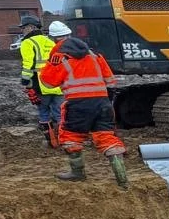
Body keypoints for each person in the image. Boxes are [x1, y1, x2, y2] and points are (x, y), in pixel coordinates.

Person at [39, 34, 128, 188]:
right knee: (106, 137)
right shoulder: (95, 56)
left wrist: (51, 63)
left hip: (77, 104)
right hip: (102, 103)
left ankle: (77, 172)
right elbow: (110, 81)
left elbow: (48, 82)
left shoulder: (61, 58)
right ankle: (122, 179)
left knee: (70, 136)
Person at [17, 17, 62, 148]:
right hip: (57, 84)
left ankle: (51, 142)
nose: (22, 30)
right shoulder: (50, 41)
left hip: (41, 85)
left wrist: (25, 81)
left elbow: (28, 64)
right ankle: (64, 140)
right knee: (60, 114)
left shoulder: (27, 43)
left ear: (31, 27)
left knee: (44, 113)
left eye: (23, 27)